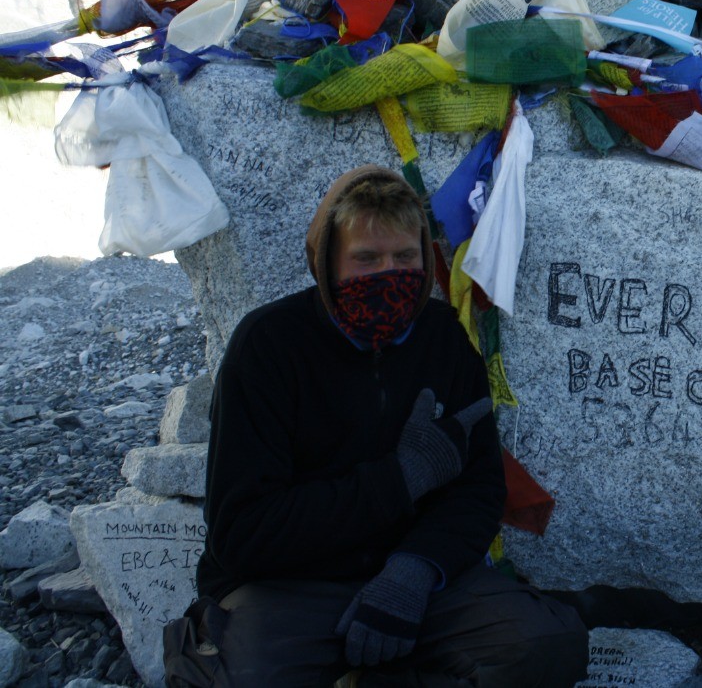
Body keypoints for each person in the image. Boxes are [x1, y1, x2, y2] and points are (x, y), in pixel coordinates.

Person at [163, 165, 588, 687]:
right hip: (291, 586)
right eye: (366, 259)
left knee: (544, 644)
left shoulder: (443, 341)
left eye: (405, 258)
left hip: (417, 575)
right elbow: (243, 530)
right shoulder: (268, 346)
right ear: (327, 263)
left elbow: (478, 489)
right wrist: (400, 479)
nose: (389, 275)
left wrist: (415, 570)